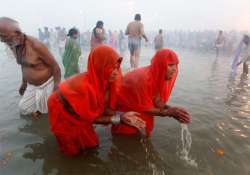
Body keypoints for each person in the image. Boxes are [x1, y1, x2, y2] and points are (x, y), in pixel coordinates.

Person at [48, 45, 145, 156]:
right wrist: (120, 119)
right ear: (100, 66)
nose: (116, 72)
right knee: (71, 150)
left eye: (117, 68)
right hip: (61, 108)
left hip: (81, 109)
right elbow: (92, 118)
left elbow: (106, 109)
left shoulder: (110, 81)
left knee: (91, 144)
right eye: (111, 67)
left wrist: (123, 115)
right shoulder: (84, 87)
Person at [112, 49, 191, 136]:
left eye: (176, 65)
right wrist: (169, 112)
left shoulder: (157, 75)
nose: (174, 69)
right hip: (125, 113)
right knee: (129, 139)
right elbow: (147, 109)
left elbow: (156, 101)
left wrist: (174, 111)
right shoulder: (144, 79)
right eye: (170, 65)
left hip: (139, 109)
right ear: (160, 65)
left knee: (144, 135)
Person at [0, 17, 61, 118]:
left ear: (17, 33)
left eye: (4, 36)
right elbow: (23, 65)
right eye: (0, 37)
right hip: (31, 85)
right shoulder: (13, 45)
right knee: (24, 109)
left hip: (46, 83)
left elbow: (55, 66)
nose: (2, 40)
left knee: (47, 112)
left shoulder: (36, 45)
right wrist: (23, 83)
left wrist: (56, 86)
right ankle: (36, 116)